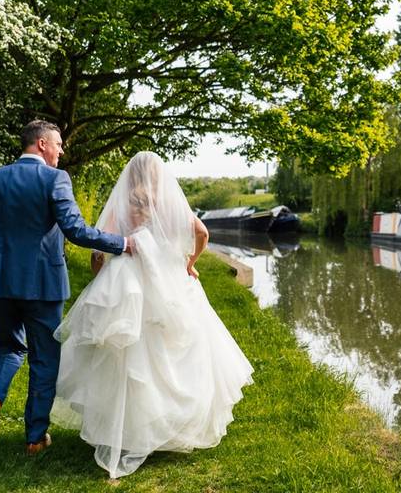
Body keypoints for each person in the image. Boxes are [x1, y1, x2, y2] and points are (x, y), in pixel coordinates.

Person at [51, 151, 253, 479]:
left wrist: (99, 271)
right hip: (171, 282)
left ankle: (127, 430)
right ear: (160, 175)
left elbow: (100, 249)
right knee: (175, 354)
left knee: (129, 359)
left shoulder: (124, 203)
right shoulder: (171, 202)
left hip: (129, 285)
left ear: (131, 175)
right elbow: (201, 232)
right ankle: (170, 425)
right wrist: (190, 263)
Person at [0, 120, 133, 455]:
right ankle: (35, 438)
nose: (61, 150)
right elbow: (76, 230)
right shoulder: (55, 179)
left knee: (8, 347)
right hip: (43, 284)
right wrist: (121, 243)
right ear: (41, 144)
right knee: (43, 358)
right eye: (58, 144)